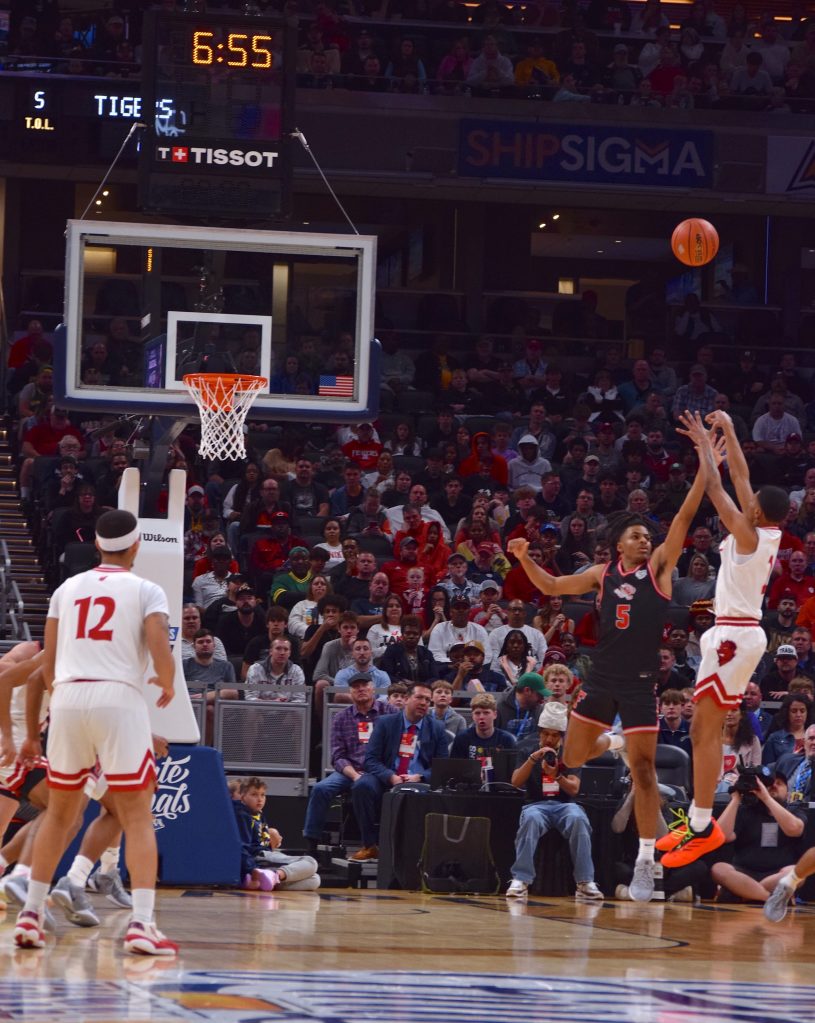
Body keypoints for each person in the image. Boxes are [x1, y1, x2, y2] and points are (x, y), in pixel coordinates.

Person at [507, 448, 706, 901]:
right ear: (620, 544)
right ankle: (614, 742)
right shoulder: (602, 574)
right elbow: (552, 586)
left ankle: (645, 859)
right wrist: (523, 557)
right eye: (636, 536)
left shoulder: (659, 569)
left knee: (645, 772)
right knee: (572, 757)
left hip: (639, 685)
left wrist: (704, 468)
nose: (645, 541)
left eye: (647, 536)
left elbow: (684, 517)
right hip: (599, 681)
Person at [13, 509, 177, 955]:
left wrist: (56, 706)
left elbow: (47, 665)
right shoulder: (146, 589)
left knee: (60, 813)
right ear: (136, 545)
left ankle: (31, 914)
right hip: (117, 696)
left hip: (67, 697)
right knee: (136, 814)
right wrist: (166, 680)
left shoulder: (66, 589)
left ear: (98, 545)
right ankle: (142, 924)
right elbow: (159, 644)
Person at [660, 411, 790, 871]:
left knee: (705, 727)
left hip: (735, 634)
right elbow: (741, 476)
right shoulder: (761, 527)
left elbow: (718, 490)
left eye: (751, 501)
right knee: (701, 728)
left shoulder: (750, 534)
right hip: (730, 632)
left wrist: (703, 447)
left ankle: (702, 827)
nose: (746, 498)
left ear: (756, 510)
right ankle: (699, 822)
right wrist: (731, 430)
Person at [505, 702, 603, 902]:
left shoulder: (571, 753)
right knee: (530, 819)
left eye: (555, 735)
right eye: (546, 734)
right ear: (539, 733)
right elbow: (515, 782)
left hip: (565, 805)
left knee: (578, 819)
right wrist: (532, 760)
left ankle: (585, 882)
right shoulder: (527, 749)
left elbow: (574, 789)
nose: (549, 739)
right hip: (535, 805)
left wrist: (557, 776)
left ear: (562, 736)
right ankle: (521, 879)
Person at [354, 682, 449, 861]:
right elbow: (371, 760)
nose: (424, 703)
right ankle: (369, 845)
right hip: (387, 777)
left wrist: (420, 777)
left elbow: (442, 765)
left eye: (427, 700)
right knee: (362, 786)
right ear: (406, 699)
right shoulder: (385, 723)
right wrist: (391, 777)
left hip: (419, 781)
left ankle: (420, 852)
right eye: (419, 697)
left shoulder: (437, 728)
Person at [302, 674, 393, 855]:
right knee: (320, 788)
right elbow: (337, 756)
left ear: (373, 688)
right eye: (356, 687)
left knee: (363, 786)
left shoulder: (389, 712)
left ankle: (370, 844)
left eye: (364, 685)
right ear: (350, 692)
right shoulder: (341, 718)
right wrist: (354, 774)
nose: (361, 689)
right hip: (349, 769)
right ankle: (311, 844)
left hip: (378, 769)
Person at [234, 777, 319, 891]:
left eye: (262, 795)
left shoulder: (258, 814)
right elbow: (242, 847)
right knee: (310, 862)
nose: (259, 799)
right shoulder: (242, 815)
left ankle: (262, 881)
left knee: (314, 879)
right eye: (254, 794)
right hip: (258, 857)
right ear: (242, 796)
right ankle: (275, 875)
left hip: (265, 856)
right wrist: (251, 868)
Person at [449, 693, 517, 763]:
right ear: (472, 716)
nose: (481, 717)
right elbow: (455, 767)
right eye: (477, 713)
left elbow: (512, 767)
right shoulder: (462, 738)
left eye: (486, 713)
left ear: (495, 714)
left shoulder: (507, 740)